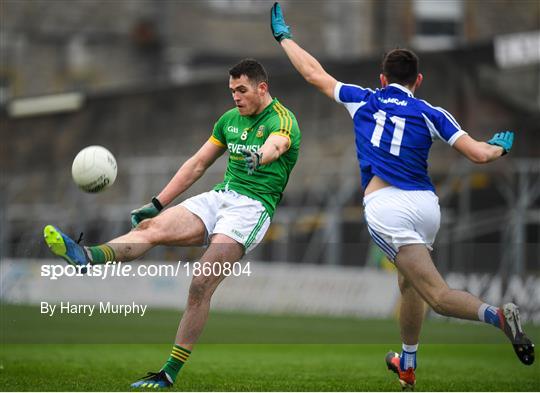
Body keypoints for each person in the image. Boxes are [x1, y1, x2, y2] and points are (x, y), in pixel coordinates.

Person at [269, 2, 534, 389]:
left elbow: (313, 73)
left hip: (387, 207)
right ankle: (407, 365)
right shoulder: (431, 111)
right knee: (409, 282)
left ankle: (496, 316)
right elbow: (479, 154)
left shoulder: (363, 99)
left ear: (382, 78)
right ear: (418, 80)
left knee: (437, 295)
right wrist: (499, 147)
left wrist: (284, 37)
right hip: (426, 207)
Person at [43, 58, 301, 389]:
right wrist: (157, 203)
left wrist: (260, 155)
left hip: (251, 210)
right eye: (232, 90)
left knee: (200, 282)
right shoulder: (229, 121)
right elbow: (196, 165)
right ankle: (87, 256)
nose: (235, 97)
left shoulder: (283, 119)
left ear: (261, 88)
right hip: (219, 196)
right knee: (149, 229)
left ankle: (168, 373)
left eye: (242, 90)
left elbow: (277, 145)